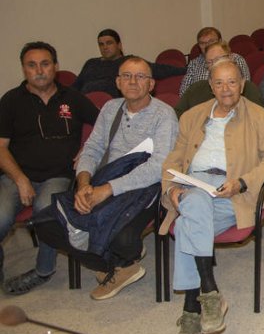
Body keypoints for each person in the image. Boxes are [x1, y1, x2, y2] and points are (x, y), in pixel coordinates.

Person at [6, 57, 178, 299]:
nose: (133, 81)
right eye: (127, 76)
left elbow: (157, 166)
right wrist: (84, 183)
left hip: (143, 187)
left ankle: (121, 261)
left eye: (140, 77)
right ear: (117, 82)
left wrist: (107, 190)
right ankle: (114, 265)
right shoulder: (110, 108)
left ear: (151, 84)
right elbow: (92, 149)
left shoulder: (164, 114)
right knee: (47, 224)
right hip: (104, 179)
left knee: (122, 240)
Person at [160, 58, 264, 334]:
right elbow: (172, 160)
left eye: (232, 82)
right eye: (219, 83)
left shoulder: (259, 117)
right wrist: (171, 188)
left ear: (242, 84)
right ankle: (209, 293)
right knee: (194, 204)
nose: (226, 89)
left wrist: (242, 181)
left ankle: (192, 307)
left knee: (189, 219)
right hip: (193, 188)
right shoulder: (192, 116)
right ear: (210, 86)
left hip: (234, 193)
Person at [0, 42, 99, 289]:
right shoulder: (11, 100)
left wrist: (87, 149)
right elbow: (0, 146)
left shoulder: (74, 99)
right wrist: (21, 180)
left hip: (58, 175)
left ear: (55, 66)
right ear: (24, 69)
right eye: (31, 65)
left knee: (46, 214)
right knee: (0, 218)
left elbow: (105, 128)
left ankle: (44, 271)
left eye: (45, 64)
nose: (39, 70)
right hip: (16, 176)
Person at [74, 29, 185, 97]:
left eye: (109, 43)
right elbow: (76, 86)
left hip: (114, 108)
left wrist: (186, 69)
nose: (105, 47)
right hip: (86, 106)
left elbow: (159, 69)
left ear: (119, 45)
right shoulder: (91, 63)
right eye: (101, 44)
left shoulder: (130, 62)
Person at [174, 41, 263, 118]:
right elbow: (177, 115)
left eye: (218, 59)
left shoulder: (248, 88)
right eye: (209, 62)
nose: (214, 65)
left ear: (230, 58)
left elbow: (260, 119)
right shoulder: (196, 88)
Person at [179, 27, 250, 96]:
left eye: (211, 41)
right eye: (202, 43)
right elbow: (183, 93)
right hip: (200, 103)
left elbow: (246, 88)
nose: (207, 45)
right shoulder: (194, 63)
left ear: (220, 41)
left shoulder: (236, 59)